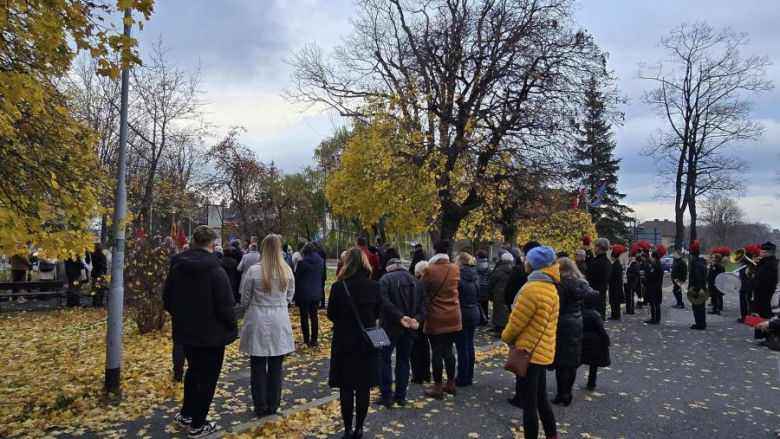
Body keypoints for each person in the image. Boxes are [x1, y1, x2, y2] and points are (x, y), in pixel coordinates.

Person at [163, 226, 237, 438]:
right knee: (208, 378)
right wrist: (231, 327)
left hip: (187, 332)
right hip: (212, 335)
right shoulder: (216, 270)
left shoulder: (177, 267)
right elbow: (226, 306)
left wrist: (182, 317)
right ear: (212, 244)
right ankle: (198, 424)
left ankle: (187, 413)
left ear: (194, 240)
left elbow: (167, 299)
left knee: (193, 371)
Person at [501, 246, 559, 439]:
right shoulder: (551, 287)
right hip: (542, 350)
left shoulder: (531, 289)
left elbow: (516, 323)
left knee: (528, 405)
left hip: (527, 351)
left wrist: (506, 338)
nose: (524, 261)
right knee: (541, 400)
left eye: (527, 258)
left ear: (534, 264)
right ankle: (552, 435)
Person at [327, 248, 383, 439]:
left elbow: (331, 314)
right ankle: (360, 428)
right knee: (363, 386)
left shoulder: (339, 287)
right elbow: (377, 313)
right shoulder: (375, 286)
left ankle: (347, 429)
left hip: (344, 340)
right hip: (366, 341)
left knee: (346, 386)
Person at [239, 234, 295, 417]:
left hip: (258, 317)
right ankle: (273, 403)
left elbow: (245, 298)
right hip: (278, 318)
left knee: (257, 364)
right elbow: (289, 296)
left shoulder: (255, 271)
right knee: (276, 365)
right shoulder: (286, 270)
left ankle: (260, 405)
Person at [376, 258, 429, 407]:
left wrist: (399, 317)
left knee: (383, 358)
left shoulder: (385, 279)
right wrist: (417, 319)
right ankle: (401, 395)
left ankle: (386, 394)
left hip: (388, 327)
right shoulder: (416, 280)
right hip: (410, 328)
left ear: (389, 268)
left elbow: (383, 301)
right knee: (403, 360)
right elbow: (425, 302)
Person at [421, 240, 462, 399]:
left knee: (437, 351)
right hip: (454, 315)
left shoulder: (429, 270)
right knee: (449, 351)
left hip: (436, 315)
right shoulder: (455, 268)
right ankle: (451, 384)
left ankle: (437, 387)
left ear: (434, 251)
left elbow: (421, 290)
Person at [550, 257, 588, 406]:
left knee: (562, 362)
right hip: (577, 322)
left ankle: (561, 393)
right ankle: (569, 392)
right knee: (572, 361)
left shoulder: (561, 285)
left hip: (563, 323)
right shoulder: (581, 284)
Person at [455, 252, 481, 387]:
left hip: (463, 312)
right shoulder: (475, 275)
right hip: (474, 311)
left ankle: (462, 378)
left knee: (462, 346)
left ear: (460, 262)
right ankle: (469, 376)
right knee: (470, 345)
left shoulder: (459, 276)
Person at [294, 243, 326, 348]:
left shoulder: (302, 263)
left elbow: (297, 278)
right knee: (314, 316)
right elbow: (322, 276)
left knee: (304, 317)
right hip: (316, 292)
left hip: (304, 292)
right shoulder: (321, 261)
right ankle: (314, 340)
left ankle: (306, 339)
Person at [581, 290, 611, 390]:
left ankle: (567, 382)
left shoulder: (580, 312)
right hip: (594, 343)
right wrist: (606, 340)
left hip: (582, 341)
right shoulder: (595, 315)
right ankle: (591, 383)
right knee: (593, 365)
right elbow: (601, 330)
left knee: (577, 361)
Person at [410, 260, 432, 384]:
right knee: (425, 345)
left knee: (415, 347)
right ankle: (426, 374)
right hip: (427, 316)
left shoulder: (416, 283)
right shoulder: (431, 281)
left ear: (417, 272)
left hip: (416, 317)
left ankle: (418, 375)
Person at [753, 242, 778, 345]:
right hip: (762, 294)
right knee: (762, 314)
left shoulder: (770, 264)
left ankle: (769, 338)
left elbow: (765, 281)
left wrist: (754, 282)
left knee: (766, 315)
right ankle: (765, 337)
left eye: (762, 251)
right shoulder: (765, 263)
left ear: (768, 252)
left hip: (766, 295)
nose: (760, 253)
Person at [586, 237, 612, 320]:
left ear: (598, 247)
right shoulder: (607, 262)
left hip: (593, 295)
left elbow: (589, 277)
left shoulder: (596, 263)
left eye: (594, 246)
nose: (593, 249)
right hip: (602, 295)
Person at [488, 251, 514, 332]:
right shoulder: (514, 268)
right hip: (509, 291)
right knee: (505, 310)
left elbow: (492, 280)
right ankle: (503, 327)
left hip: (498, 292)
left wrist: (489, 290)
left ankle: (499, 327)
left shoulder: (499, 269)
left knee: (497, 309)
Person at [737, 244, 760, 323]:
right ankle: (744, 316)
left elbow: (751, 275)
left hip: (747, 285)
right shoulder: (745, 264)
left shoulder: (752, 264)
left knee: (747, 302)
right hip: (742, 284)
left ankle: (747, 317)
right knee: (743, 301)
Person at [688, 241, 708, 330]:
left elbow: (697, 278)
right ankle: (702, 323)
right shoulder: (702, 262)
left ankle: (699, 324)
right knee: (701, 307)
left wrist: (696, 290)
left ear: (692, 254)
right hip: (702, 288)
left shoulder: (696, 264)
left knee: (697, 307)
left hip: (697, 289)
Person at [643, 245, 665, 325]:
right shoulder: (656, 265)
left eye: (652, 258)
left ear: (654, 258)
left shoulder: (655, 267)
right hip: (655, 288)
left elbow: (650, 277)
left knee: (655, 304)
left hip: (654, 288)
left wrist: (645, 282)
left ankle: (655, 319)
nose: (651, 259)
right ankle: (654, 318)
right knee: (654, 304)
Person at [608, 245, 626, 321]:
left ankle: (615, 315)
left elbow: (611, 275)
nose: (611, 257)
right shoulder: (617, 264)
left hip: (614, 286)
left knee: (614, 301)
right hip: (616, 286)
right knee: (615, 302)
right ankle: (615, 315)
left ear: (614, 257)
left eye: (611, 256)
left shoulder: (615, 265)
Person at [707, 251, 726, 315]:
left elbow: (712, 274)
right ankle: (718, 307)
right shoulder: (721, 265)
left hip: (715, 282)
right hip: (718, 282)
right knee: (718, 296)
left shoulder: (716, 266)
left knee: (715, 296)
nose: (712, 258)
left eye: (713, 257)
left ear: (717, 259)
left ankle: (716, 309)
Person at [476, 250, 491, 325]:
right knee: (485, 304)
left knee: (479, 304)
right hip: (486, 286)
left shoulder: (478, 265)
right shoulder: (488, 264)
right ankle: (486, 319)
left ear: (478, 256)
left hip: (479, 286)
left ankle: (481, 319)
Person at [90, 242, 108, 307]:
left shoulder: (94, 254)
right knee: (99, 288)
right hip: (100, 273)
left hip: (96, 272)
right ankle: (98, 302)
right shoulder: (98, 254)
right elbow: (102, 264)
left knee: (96, 288)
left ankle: (96, 302)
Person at [624, 246, 639, 315]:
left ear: (634, 258)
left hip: (631, 283)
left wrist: (627, 275)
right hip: (627, 282)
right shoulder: (629, 264)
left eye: (631, 257)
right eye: (629, 257)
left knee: (630, 297)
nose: (629, 258)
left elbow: (635, 274)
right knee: (627, 297)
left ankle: (631, 310)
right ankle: (628, 309)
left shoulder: (635, 265)